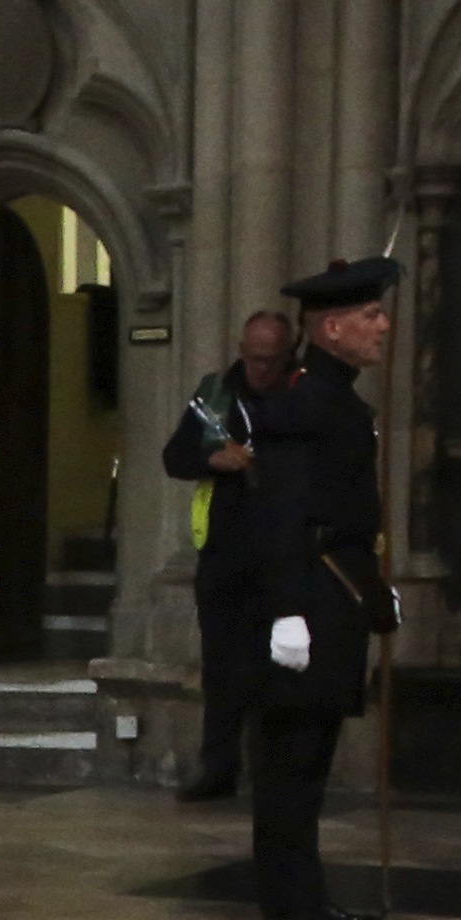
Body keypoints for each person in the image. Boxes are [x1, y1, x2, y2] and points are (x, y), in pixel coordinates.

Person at [228, 256, 395, 920]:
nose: (382, 326)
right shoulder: (302, 405)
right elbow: (281, 514)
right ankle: (288, 905)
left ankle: (305, 896)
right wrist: (287, 610)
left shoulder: (336, 400)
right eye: (369, 316)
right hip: (304, 600)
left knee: (309, 758)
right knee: (289, 763)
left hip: (333, 591)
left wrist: (375, 589)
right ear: (331, 327)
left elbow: (348, 513)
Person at [164, 306, 294, 801]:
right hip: (224, 554)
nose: (260, 369)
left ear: (287, 355)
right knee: (221, 665)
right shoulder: (216, 395)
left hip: (282, 552)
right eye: (253, 357)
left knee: (277, 666)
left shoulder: (299, 395)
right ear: (242, 351)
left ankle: (272, 772)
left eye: (270, 360)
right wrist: (211, 459)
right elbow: (174, 457)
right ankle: (217, 767)